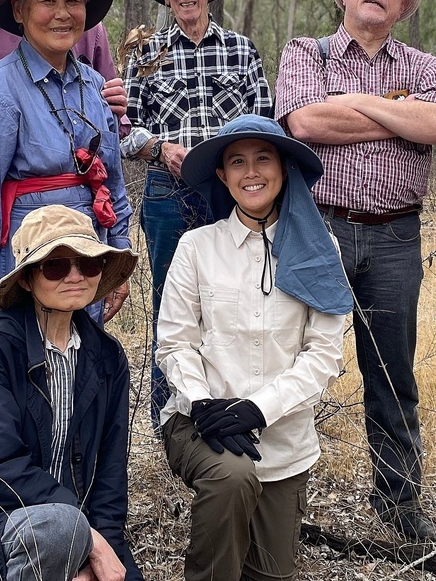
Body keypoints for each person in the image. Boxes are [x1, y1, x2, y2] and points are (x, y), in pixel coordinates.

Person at [273, 0, 436, 542]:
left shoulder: (428, 65)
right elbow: (303, 123)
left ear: (405, 3)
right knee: (292, 363)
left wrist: (351, 106)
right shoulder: (307, 52)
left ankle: (399, 504)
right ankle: (279, 497)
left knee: (391, 373)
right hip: (317, 229)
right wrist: (394, 109)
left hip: (396, 237)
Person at [156, 114, 351, 581]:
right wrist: (203, 403)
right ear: (222, 176)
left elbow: (324, 354)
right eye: (237, 162)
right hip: (199, 425)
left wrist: (258, 410)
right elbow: (174, 343)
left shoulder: (321, 250)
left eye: (263, 159)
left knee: (269, 573)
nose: (251, 173)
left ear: (284, 169)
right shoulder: (196, 247)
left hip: (283, 444)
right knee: (232, 476)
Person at [0, 205, 144, 581]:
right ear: (26, 279)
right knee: (59, 528)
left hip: (78, 529)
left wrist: (100, 548)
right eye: (56, 266)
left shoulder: (107, 358)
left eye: (88, 264)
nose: (75, 276)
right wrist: (84, 538)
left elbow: (110, 475)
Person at [123, 0, 274, 428]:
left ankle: (231, 410)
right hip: (168, 194)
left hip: (232, 192)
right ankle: (172, 420)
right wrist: (159, 148)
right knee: (173, 302)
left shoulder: (242, 49)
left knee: (237, 299)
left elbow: (265, 121)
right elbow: (125, 131)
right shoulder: (147, 55)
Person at [0, 0, 133, 334]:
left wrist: (119, 257)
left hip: (88, 259)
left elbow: (112, 179)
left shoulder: (95, 85)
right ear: (18, 11)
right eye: (48, 1)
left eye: (73, 0)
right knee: (24, 371)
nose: (63, 13)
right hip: (24, 261)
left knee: (80, 364)